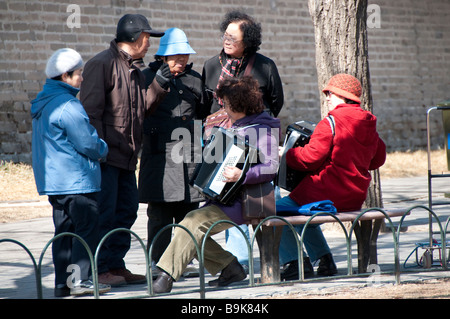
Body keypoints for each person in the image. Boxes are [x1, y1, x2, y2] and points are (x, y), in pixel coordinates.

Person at [152, 76, 280, 293]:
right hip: (224, 200)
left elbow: (271, 167)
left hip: (244, 202)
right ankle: (229, 267)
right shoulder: (236, 127)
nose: (224, 108)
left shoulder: (261, 130)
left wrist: (242, 174)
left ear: (239, 105)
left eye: (227, 104)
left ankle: (166, 275)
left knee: (191, 223)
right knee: (189, 227)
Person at [80, 14, 168, 287]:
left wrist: (158, 85)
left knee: (127, 212)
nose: (149, 43)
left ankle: (116, 265)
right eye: (147, 37)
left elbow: (141, 109)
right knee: (105, 214)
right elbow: (90, 114)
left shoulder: (135, 69)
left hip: (128, 158)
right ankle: (102, 267)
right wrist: (100, 151)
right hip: (107, 158)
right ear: (134, 36)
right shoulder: (101, 64)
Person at [278, 73, 387, 280]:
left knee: (274, 212)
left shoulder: (331, 122)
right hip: (354, 197)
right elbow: (377, 159)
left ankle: (294, 264)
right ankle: (325, 261)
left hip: (325, 193)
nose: (327, 96)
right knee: (304, 217)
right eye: (327, 93)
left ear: (344, 96)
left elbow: (310, 158)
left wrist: (288, 154)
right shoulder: (368, 123)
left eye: (331, 93)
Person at [202, 10, 284, 270]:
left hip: (259, 141)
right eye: (225, 35)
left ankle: (279, 262)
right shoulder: (211, 66)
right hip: (224, 143)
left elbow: (276, 101)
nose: (226, 41)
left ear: (247, 42)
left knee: (265, 201)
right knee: (229, 199)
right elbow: (205, 105)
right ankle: (239, 265)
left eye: (233, 38)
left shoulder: (265, 65)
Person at [31, 48, 110, 297]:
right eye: (79, 74)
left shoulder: (42, 103)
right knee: (85, 231)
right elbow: (87, 142)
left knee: (63, 233)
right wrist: (103, 149)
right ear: (65, 76)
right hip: (78, 181)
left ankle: (62, 283)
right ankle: (80, 280)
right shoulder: (68, 104)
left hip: (55, 183)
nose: (82, 78)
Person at [138, 28, 204, 271]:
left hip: (189, 157)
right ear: (163, 57)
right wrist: (160, 83)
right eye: (176, 58)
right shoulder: (146, 77)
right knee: (160, 214)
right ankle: (157, 263)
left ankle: (185, 260)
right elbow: (139, 111)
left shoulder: (194, 79)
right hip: (160, 159)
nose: (181, 62)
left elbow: (204, 113)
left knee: (189, 213)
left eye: (185, 57)